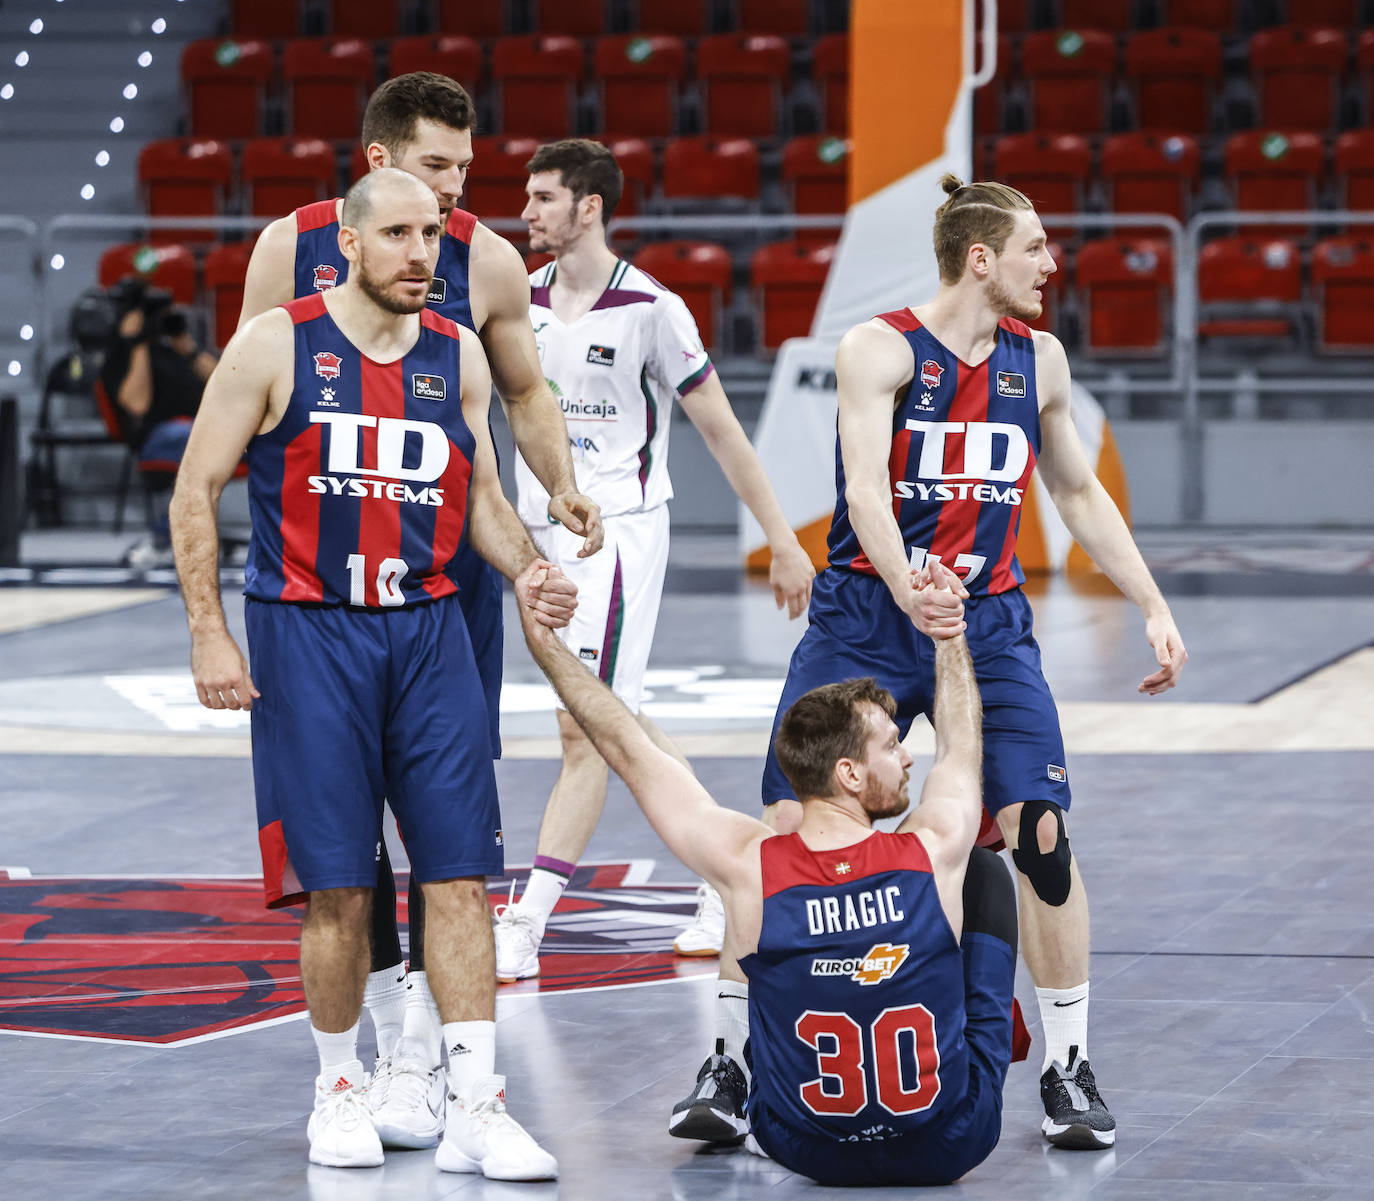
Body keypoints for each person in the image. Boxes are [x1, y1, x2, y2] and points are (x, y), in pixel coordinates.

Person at [674, 174, 1189, 1152]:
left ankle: (1069, 1069)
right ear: (982, 256)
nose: (1052, 264)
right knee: (788, 828)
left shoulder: (1037, 362)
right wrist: (911, 579)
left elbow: (1075, 493)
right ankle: (732, 1062)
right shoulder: (880, 348)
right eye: (1036, 246)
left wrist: (1152, 602)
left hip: (985, 624)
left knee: (1037, 830)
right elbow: (863, 489)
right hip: (868, 617)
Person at [169, 169, 570, 1179]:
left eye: (431, 234)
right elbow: (195, 487)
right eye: (396, 233)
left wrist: (529, 569)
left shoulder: (458, 353)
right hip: (311, 635)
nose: (420, 253)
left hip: (431, 633)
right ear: (347, 242)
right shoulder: (276, 342)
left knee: (462, 878)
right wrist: (209, 633)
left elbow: (478, 496)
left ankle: (475, 1104)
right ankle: (339, 1085)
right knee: (338, 888)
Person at [235, 70, 603, 1144]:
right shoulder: (284, 249)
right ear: (374, 165)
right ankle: (378, 1056)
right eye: (434, 168)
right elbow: (254, 394)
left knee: (445, 829)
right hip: (318, 599)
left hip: (444, 584)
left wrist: (560, 483)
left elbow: (526, 390)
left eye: (464, 169)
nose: (454, 191)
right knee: (346, 852)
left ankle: (429, 1069)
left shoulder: (483, 258)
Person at [519, 556, 1025, 1186]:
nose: (907, 756)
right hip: (951, 1142)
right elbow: (961, 743)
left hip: (807, 1148)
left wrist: (544, 644)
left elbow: (627, 747)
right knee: (984, 870)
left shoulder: (751, 865)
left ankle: (731, 1068)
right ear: (849, 774)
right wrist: (949, 635)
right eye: (892, 745)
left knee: (756, 931)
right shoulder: (932, 849)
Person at [489, 138, 814, 983]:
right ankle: (732, 869)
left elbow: (720, 430)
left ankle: (527, 920)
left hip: (620, 534)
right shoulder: (510, 300)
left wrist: (781, 539)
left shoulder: (653, 310)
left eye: (544, 198)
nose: (526, 213)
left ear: (589, 206)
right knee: (617, 714)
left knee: (584, 727)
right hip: (538, 539)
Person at [99, 278, 217, 564]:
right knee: (194, 437)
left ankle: (170, 536)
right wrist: (137, 344)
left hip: (195, 430)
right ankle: (164, 538)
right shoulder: (120, 355)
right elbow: (137, 404)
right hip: (156, 438)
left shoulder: (174, 349)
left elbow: (223, 383)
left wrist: (184, 343)